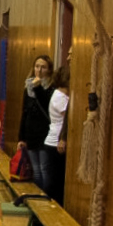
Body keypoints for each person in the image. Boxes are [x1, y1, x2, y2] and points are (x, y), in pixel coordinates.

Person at [17, 55, 55, 190]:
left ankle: (47, 195)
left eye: (43, 67)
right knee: (36, 170)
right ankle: (38, 195)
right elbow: (25, 112)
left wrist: (38, 88)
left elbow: (47, 106)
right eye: (37, 66)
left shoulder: (51, 88)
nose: (39, 70)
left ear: (49, 70)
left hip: (45, 133)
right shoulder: (28, 87)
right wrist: (21, 138)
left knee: (45, 168)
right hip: (31, 132)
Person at [41, 65, 70, 205]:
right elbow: (70, 117)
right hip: (55, 143)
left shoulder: (61, 96)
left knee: (56, 182)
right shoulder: (60, 97)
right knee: (54, 184)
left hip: (55, 142)